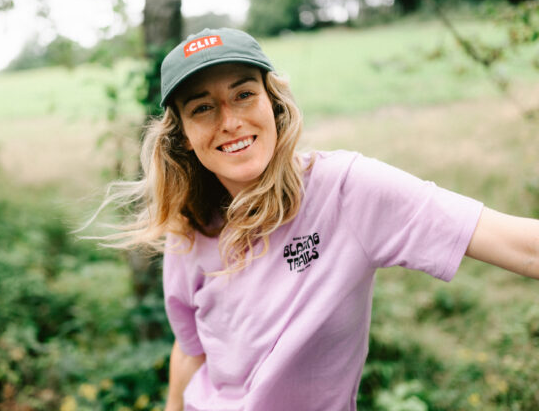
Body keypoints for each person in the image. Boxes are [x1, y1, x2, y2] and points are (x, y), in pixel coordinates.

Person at [95, 28, 539, 411]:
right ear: (185, 137)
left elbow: (521, 245)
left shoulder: (346, 190)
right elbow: (192, 350)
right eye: (202, 108)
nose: (229, 121)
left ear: (274, 103)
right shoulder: (187, 229)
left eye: (244, 94)